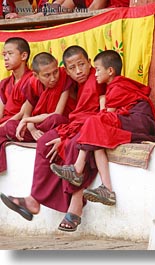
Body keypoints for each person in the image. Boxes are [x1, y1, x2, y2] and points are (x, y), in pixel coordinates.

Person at [0, 45, 105, 232]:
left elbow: (98, 115)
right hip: (74, 124)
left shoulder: (95, 80)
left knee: (73, 145)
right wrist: (31, 125)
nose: (78, 71)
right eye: (72, 68)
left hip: (88, 125)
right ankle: (34, 199)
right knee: (44, 142)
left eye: (82, 65)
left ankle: (76, 206)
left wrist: (63, 137)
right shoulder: (61, 80)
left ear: (90, 63)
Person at [50, 50, 155, 206]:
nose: (95, 74)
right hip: (129, 121)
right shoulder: (112, 87)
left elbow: (106, 117)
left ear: (110, 71)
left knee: (94, 122)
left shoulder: (117, 86)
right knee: (96, 137)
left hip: (139, 121)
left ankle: (77, 169)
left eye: (97, 70)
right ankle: (107, 189)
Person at [0, 51, 77, 173]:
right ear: (36, 75)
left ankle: (39, 137)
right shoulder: (32, 83)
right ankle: (36, 136)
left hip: (59, 124)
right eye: (47, 75)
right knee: (10, 126)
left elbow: (57, 113)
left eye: (55, 72)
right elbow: (26, 113)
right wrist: (32, 128)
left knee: (54, 120)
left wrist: (27, 121)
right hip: (40, 125)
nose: (53, 78)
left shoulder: (63, 78)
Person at [0, 37, 32, 127]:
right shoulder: (4, 83)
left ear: (23, 56)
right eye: (4, 54)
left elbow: (22, 114)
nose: (6, 58)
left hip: (19, 124)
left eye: (10, 54)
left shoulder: (32, 80)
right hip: (4, 123)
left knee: (11, 126)